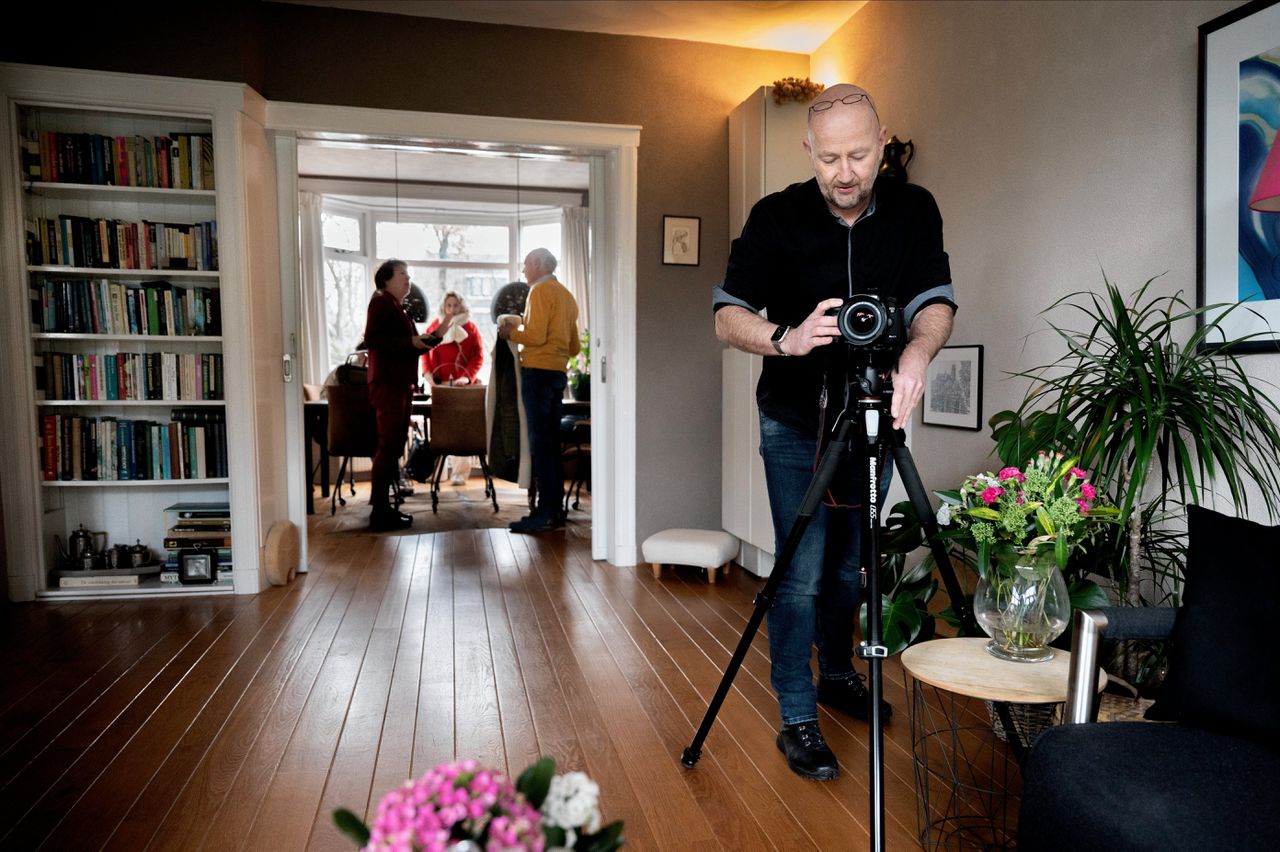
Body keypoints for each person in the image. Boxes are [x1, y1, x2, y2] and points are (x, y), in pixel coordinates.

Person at [711, 84, 956, 781]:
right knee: (798, 572)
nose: (843, 173)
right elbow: (727, 314)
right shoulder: (774, 216)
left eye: (857, 155)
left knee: (851, 564)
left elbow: (935, 301)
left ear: (883, 142)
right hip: (794, 420)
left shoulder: (914, 210)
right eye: (828, 159)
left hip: (874, 414)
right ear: (808, 152)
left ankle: (838, 673)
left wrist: (915, 353)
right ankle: (796, 714)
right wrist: (784, 338)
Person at [497, 248, 580, 532]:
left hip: (538, 375)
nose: (523, 271)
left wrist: (511, 333)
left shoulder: (540, 292)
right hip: (557, 374)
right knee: (551, 445)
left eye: (525, 265)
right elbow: (574, 347)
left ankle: (544, 513)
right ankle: (554, 511)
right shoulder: (567, 296)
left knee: (541, 445)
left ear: (536, 264)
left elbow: (535, 335)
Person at [363, 259, 435, 531]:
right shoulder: (381, 302)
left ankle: (384, 509)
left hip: (399, 383)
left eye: (408, 274)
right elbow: (373, 341)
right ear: (386, 280)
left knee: (393, 446)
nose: (408, 279)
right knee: (388, 445)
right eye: (402, 274)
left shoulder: (396, 306)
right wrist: (410, 342)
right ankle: (379, 512)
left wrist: (427, 340)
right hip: (388, 384)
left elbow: (408, 346)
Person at [421, 290, 484, 485]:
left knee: (460, 430)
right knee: (439, 429)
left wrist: (467, 377)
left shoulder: (471, 329)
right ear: (444, 307)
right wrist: (427, 374)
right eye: (449, 305)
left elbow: (478, 356)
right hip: (439, 385)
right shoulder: (435, 326)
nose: (452, 309)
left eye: (455, 305)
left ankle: (459, 473)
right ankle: (437, 472)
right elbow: (424, 351)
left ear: (461, 306)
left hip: (462, 386)